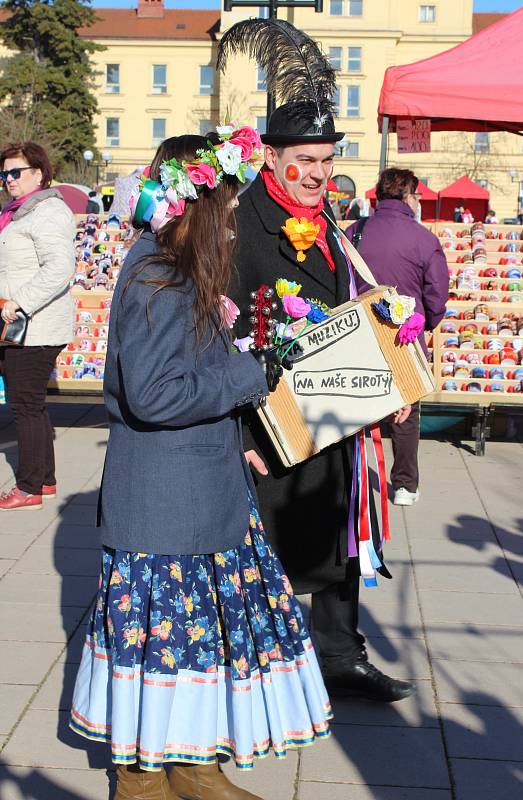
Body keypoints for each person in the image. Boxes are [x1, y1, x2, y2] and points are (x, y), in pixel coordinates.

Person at [69, 131, 332, 800]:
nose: (236, 215)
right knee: (164, 644)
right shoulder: (160, 273)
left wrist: (244, 399)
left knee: (195, 644)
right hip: (167, 505)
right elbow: (155, 394)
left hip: (196, 493)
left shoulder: (175, 266)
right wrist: (251, 373)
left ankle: (190, 763)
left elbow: (186, 372)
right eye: (228, 201)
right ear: (199, 203)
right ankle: (144, 779)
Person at [221, 18, 415, 704]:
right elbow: (226, 331)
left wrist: (385, 376)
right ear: (271, 159)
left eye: (328, 160)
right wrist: (247, 432)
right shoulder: (240, 224)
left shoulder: (329, 218)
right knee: (268, 555)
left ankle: (338, 655)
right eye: (304, 160)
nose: (317, 174)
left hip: (330, 415)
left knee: (340, 541)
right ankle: (259, 672)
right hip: (267, 426)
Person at [347, 169, 448, 507]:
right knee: (408, 413)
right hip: (406, 335)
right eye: (417, 196)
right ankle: (404, 484)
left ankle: (352, 474)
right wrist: (428, 323)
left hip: (360, 332)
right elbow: (437, 292)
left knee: (359, 403)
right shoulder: (424, 239)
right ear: (408, 196)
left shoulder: (355, 232)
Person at [0, 142, 75, 511]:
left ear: (39, 174)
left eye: (16, 172)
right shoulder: (20, 213)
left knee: (24, 404)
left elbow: (59, 268)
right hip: (22, 325)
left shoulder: (47, 212)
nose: (8, 179)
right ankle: (43, 480)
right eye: (4, 173)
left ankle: (28, 486)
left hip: (33, 325)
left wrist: (20, 301)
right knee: (33, 404)